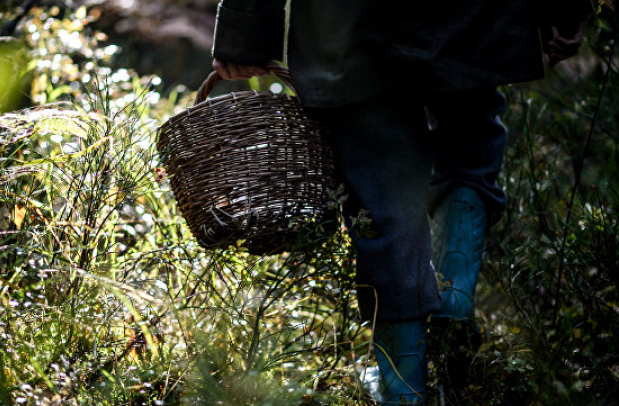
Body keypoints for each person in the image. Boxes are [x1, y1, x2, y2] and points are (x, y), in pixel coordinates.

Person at [209, 0, 591, 404]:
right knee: (470, 146)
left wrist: (244, 32)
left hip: (349, 26)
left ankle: (402, 391)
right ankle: (455, 294)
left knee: (383, 199)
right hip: (473, 17)